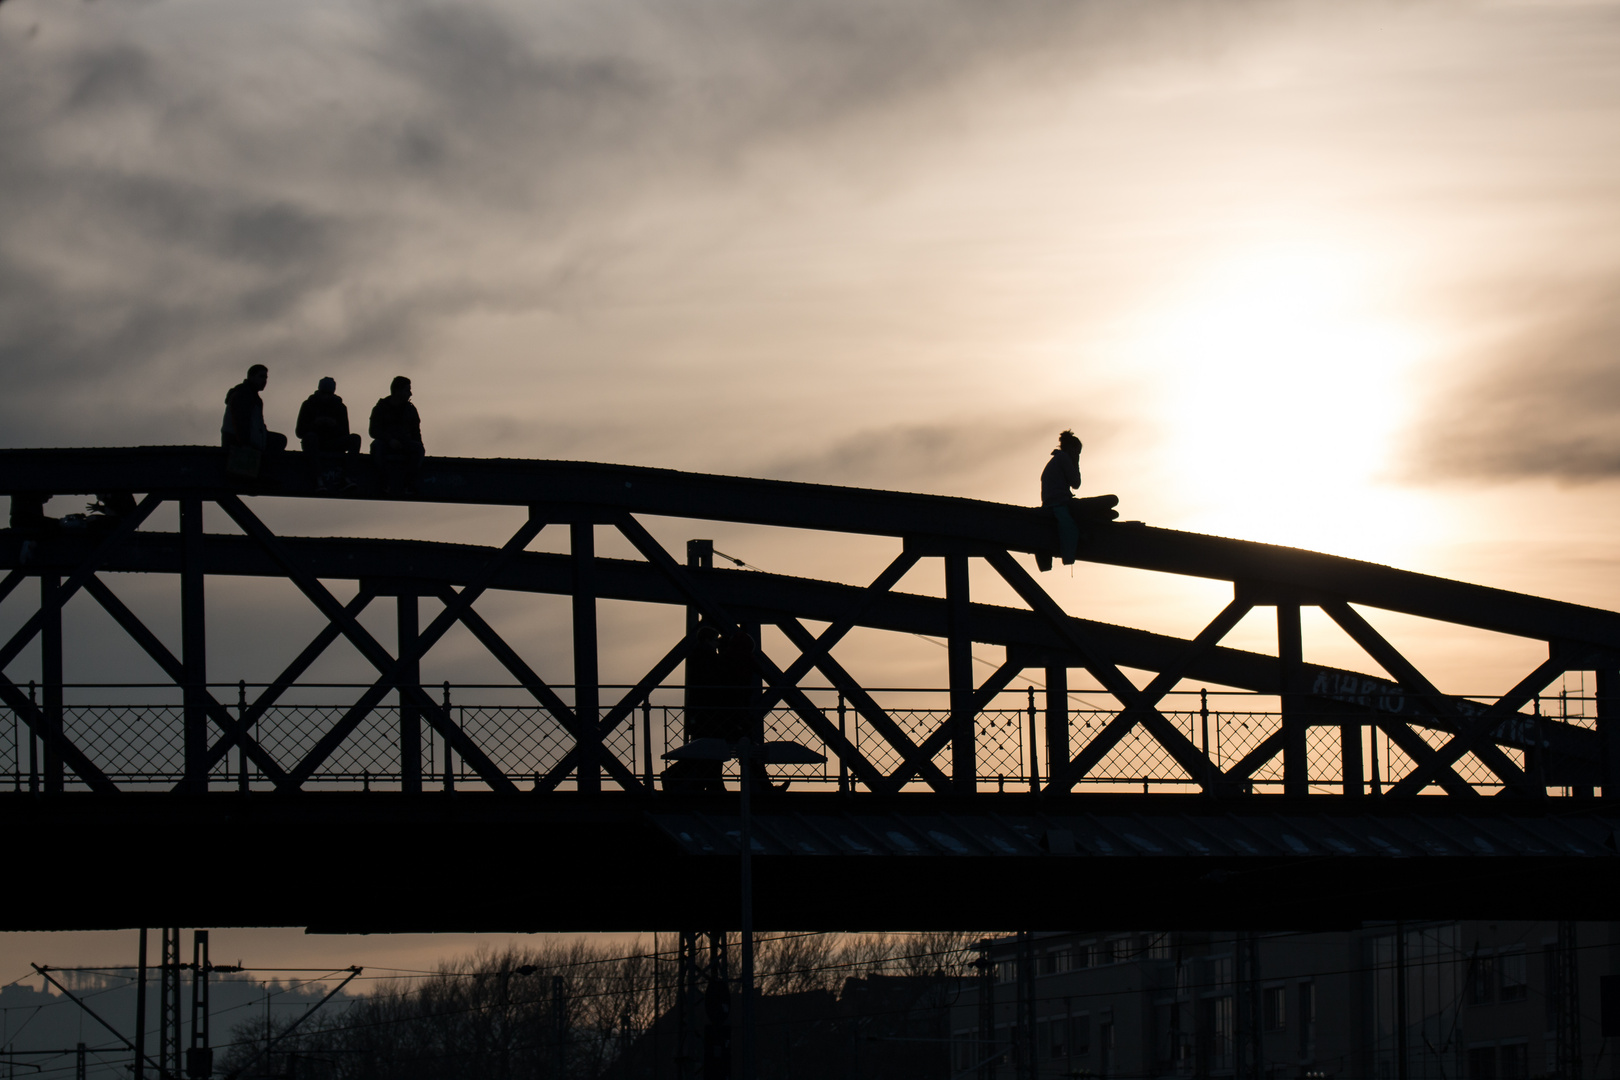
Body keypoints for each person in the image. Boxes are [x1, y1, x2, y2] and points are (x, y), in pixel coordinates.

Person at [295, 377, 362, 493]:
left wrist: (334, 425)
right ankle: (318, 478)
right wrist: (315, 424)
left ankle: (347, 477)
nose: (326, 396)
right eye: (324, 393)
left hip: (334, 442)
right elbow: (300, 432)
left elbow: (346, 433)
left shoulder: (340, 407)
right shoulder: (308, 405)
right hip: (314, 443)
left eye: (329, 393)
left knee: (355, 438)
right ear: (319, 391)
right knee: (310, 437)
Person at [369, 375, 424, 496]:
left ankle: (409, 484)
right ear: (398, 391)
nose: (410, 393)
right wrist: (389, 440)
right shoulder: (380, 408)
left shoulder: (410, 410)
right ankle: (384, 483)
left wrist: (418, 446)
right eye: (407, 390)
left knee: (418, 449)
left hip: (405, 444)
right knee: (377, 446)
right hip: (385, 444)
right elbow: (373, 431)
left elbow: (416, 432)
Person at [1038, 429, 1084, 571]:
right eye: (1077, 452)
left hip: (1052, 501)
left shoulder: (1056, 460)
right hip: (1058, 502)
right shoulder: (1064, 458)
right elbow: (1076, 483)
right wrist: (1076, 462)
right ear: (1072, 449)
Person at [221, 364, 288, 453]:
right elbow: (240, 422)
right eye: (261, 376)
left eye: (266, 378)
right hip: (237, 443)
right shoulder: (243, 394)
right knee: (279, 441)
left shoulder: (255, 398)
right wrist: (245, 445)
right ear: (251, 377)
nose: (264, 380)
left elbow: (257, 424)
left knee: (279, 440)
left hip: (251, 440)